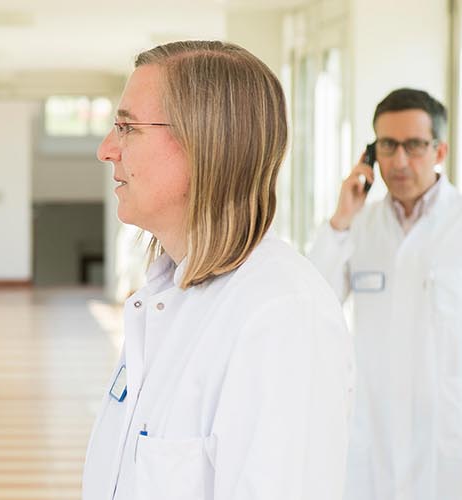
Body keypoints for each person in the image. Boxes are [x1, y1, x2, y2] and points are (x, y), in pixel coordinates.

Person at [81, 40, 355, 500]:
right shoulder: (170, 293)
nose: (107, 150)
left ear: (206, 141)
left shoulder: (281, 316)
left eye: (127, 127)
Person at [306, 88, 462, 499]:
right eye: (387, 146)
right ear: (372, 154)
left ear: (440, 151)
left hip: (456, 439)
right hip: (374, 434)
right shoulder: (359, 226)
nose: (399, 161)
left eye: (414, 146)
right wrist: (341, 219)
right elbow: (312, 303)